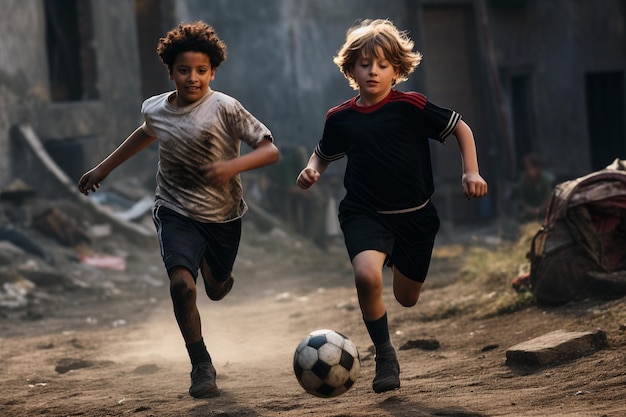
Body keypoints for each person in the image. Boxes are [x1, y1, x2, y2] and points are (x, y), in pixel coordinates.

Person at [78, 21, 279, 398]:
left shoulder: (226, 108)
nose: (192, 78)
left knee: (216, 290)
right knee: (182, 287)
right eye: (183, 70)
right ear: (170, 72)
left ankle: (216, 275)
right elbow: (145, 133)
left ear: (212, 72)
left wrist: (231, 167)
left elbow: (270, 150)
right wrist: (102, 168)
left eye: (201, 71)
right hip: (174, 209)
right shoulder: (155, 109)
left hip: (223, 215)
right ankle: (201, 364)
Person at [296, 19, 488, 394]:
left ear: (396, 71)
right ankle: (385, 356)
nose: (373, 71)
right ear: (351, 69)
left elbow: (460, 127)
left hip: (416, 217)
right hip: (364, 214)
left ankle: (398, 259)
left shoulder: (410, 106)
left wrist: (471, 172)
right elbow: (322, 154)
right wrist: (310, 170)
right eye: (365, 64)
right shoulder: (341, 118)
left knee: (406, 298)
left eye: (382, 65)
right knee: (367, 277)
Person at [516, 153, 553, 223]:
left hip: (544, 210)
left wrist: (539, 209)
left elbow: (549, 198)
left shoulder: (544, 179)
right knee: (521, 218)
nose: (529, 171)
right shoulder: (524, 180)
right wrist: (530, 210)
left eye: (531, 168)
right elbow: (521, 199)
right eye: (527, 168)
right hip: (530, 211)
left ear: (538, 168)